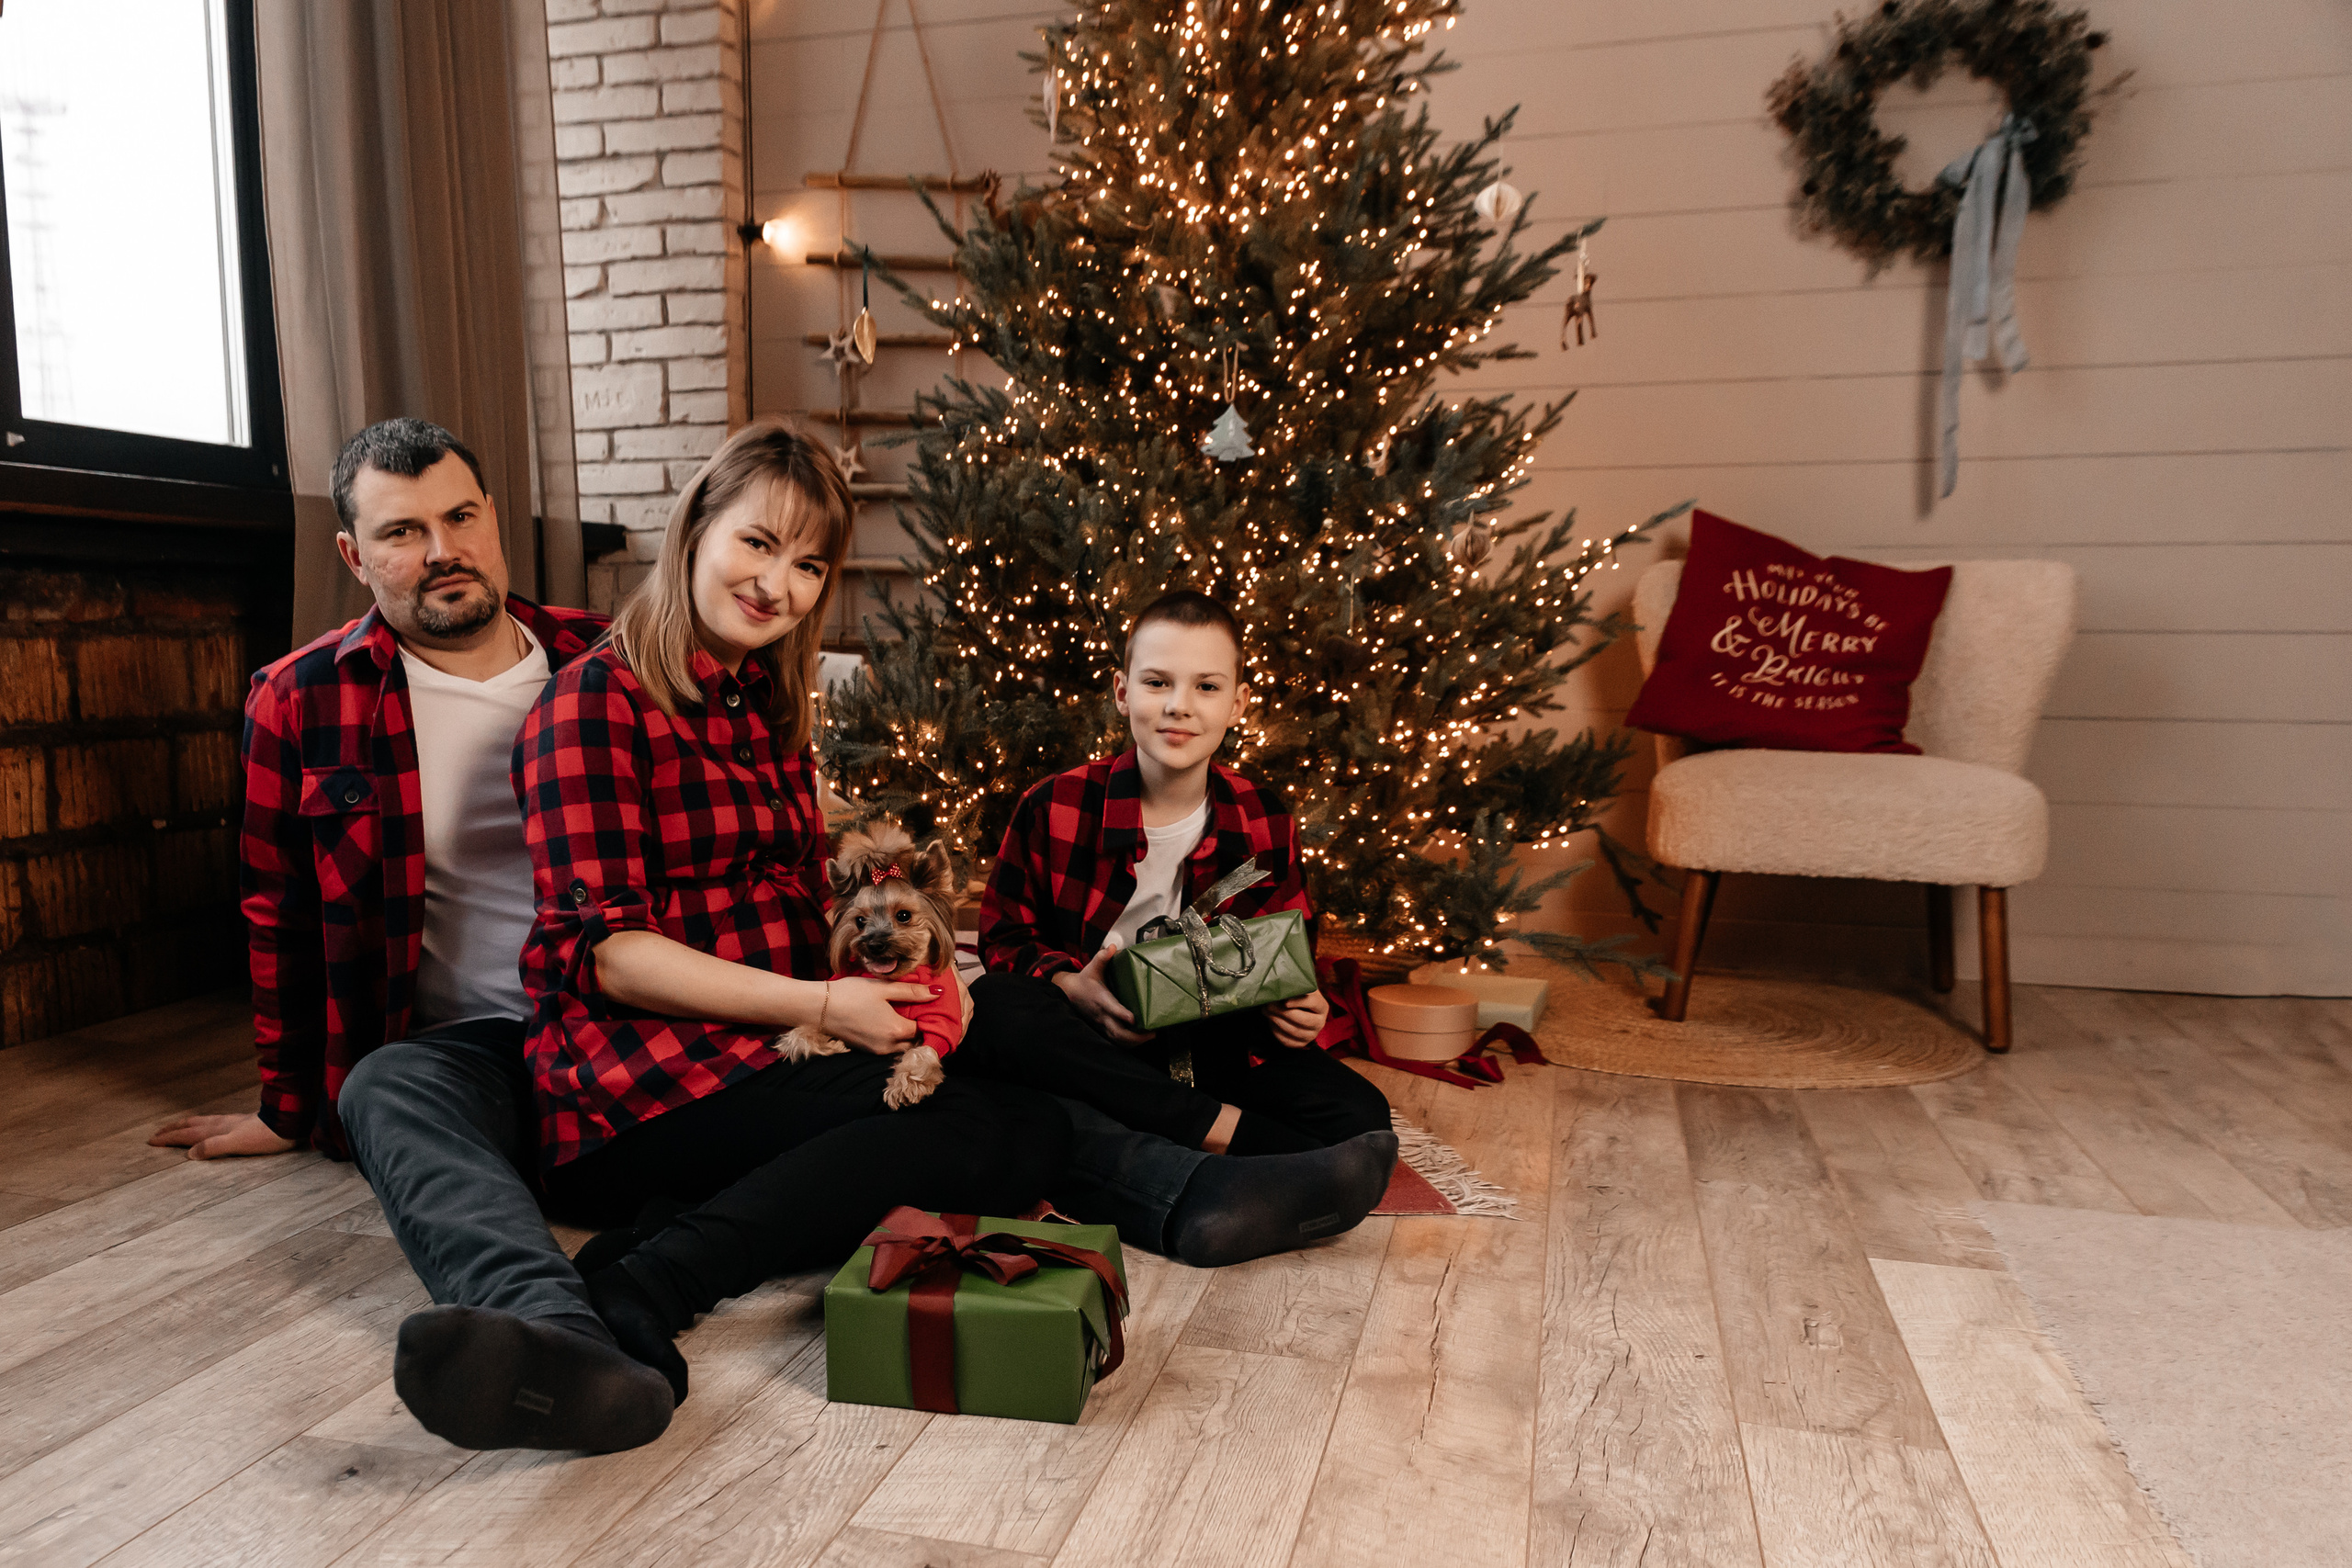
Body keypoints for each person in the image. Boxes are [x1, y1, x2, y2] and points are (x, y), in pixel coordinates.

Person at [150, 417, 675, 1454]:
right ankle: (559, 1340)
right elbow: (277, 911)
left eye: (461, 516)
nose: (442, 550)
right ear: (352, 554)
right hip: (474, 1056)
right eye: (401, 532)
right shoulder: (299, 699)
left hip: (634, 1034)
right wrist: (289, 1103)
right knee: (380, 1089)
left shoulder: (611, 659)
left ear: (494, 521)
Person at [511, 420, 1069, 1397]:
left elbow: (809, 885)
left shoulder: (756, 706)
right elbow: (613, 958)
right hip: (636, 1087)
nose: (779, 584)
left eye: (809, 564)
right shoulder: (589, 704)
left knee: (1020, 1091)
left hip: (760, 1050)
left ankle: (664, 1233)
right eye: (758, 543)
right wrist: (821, 1007)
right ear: (695, 530)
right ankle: (656, 1279)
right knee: (980, 1133)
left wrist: (919, 969)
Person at [956, 590, 1399, 1266]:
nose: (1178, 705)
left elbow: (1286, 954)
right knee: (993, 1010)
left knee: (1361, 1119)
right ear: (1122, 692)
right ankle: (1219, 1139)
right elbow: (1003, 939)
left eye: (1206, 686)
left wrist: (1302, 1011)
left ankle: (1175, 1147)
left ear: (1237, 703)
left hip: (1207, 1045)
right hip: (1087, 1041)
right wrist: (1071, 985)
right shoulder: (1054, 804)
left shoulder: (1264, 816)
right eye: (1157, 682)